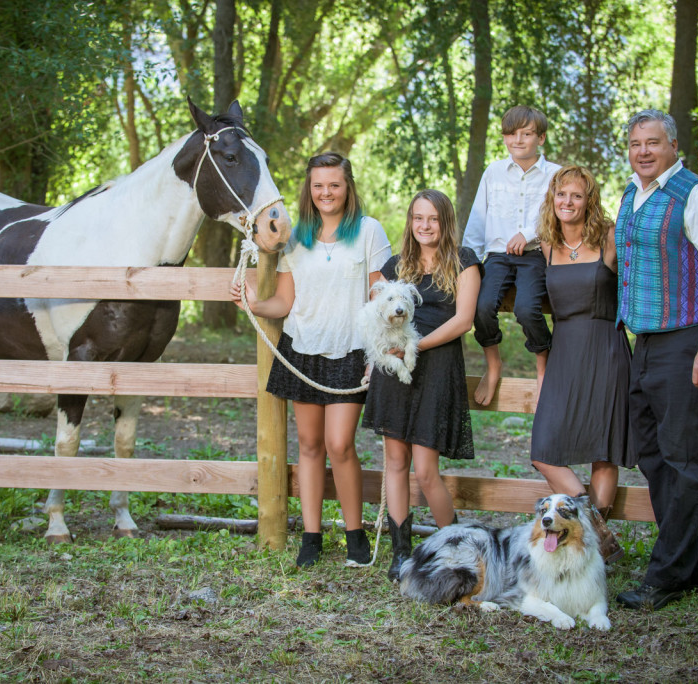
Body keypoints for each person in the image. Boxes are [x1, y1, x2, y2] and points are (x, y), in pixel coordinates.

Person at [230, 152, 391, 568]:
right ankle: (312, 537)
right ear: (309, 188)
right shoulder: (296, 237)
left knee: (340, 444)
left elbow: (380, 296)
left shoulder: (369, 232)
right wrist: (254, 302)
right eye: (318, 185)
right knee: (309, 445)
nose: (326, 193)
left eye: (334, 185)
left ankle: (355, 533)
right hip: (303, 350)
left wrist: (380, 349)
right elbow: (285, 301)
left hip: (350, 351)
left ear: (347, 186)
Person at [613, 110, 698, 611]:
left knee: (684, 461)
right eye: (636, 143)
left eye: (653, 143)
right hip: (646, 341)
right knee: (654, 455)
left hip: (688, 340)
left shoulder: (696, 195)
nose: (643, 151)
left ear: (673, 144)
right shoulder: (632, 194)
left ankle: (666, 576)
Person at [361, 189, 482, 580]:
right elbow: (375, 315)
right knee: (395, 463)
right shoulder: (395, 265)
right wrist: (383, 355)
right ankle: (401, 553)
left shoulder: (464, 263)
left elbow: (464, 320)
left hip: (438, 366)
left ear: (445, 222)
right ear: (410, 222)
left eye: (432, 219)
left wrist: (417, 345)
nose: (424, 226)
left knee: (427, 470)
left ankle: (460, 550)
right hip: (394, 373)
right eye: (418, 218)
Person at [530, 166, 633, 563]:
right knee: (544, 449)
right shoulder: (546, 244)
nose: (567, 202)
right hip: (565, 349)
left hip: (606, 347)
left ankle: (592, 549)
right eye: (561, 195)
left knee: (602, 450)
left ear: (589, 200)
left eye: (576, 195)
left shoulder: (609, 237)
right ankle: (597, 534)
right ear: (551, 200)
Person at [463, 105, 561, 408]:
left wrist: (529, 233)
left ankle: (543, 362)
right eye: (511, 133)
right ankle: (493, 365)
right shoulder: (493, 172)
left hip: (534, 255)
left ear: (540, 138)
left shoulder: (555, 174)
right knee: (481, 307)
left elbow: (556, 212)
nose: (518, 140)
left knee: (528, 308)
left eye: (527, 133)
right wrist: (469, 261)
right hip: (497, 256)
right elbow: (479, 218)